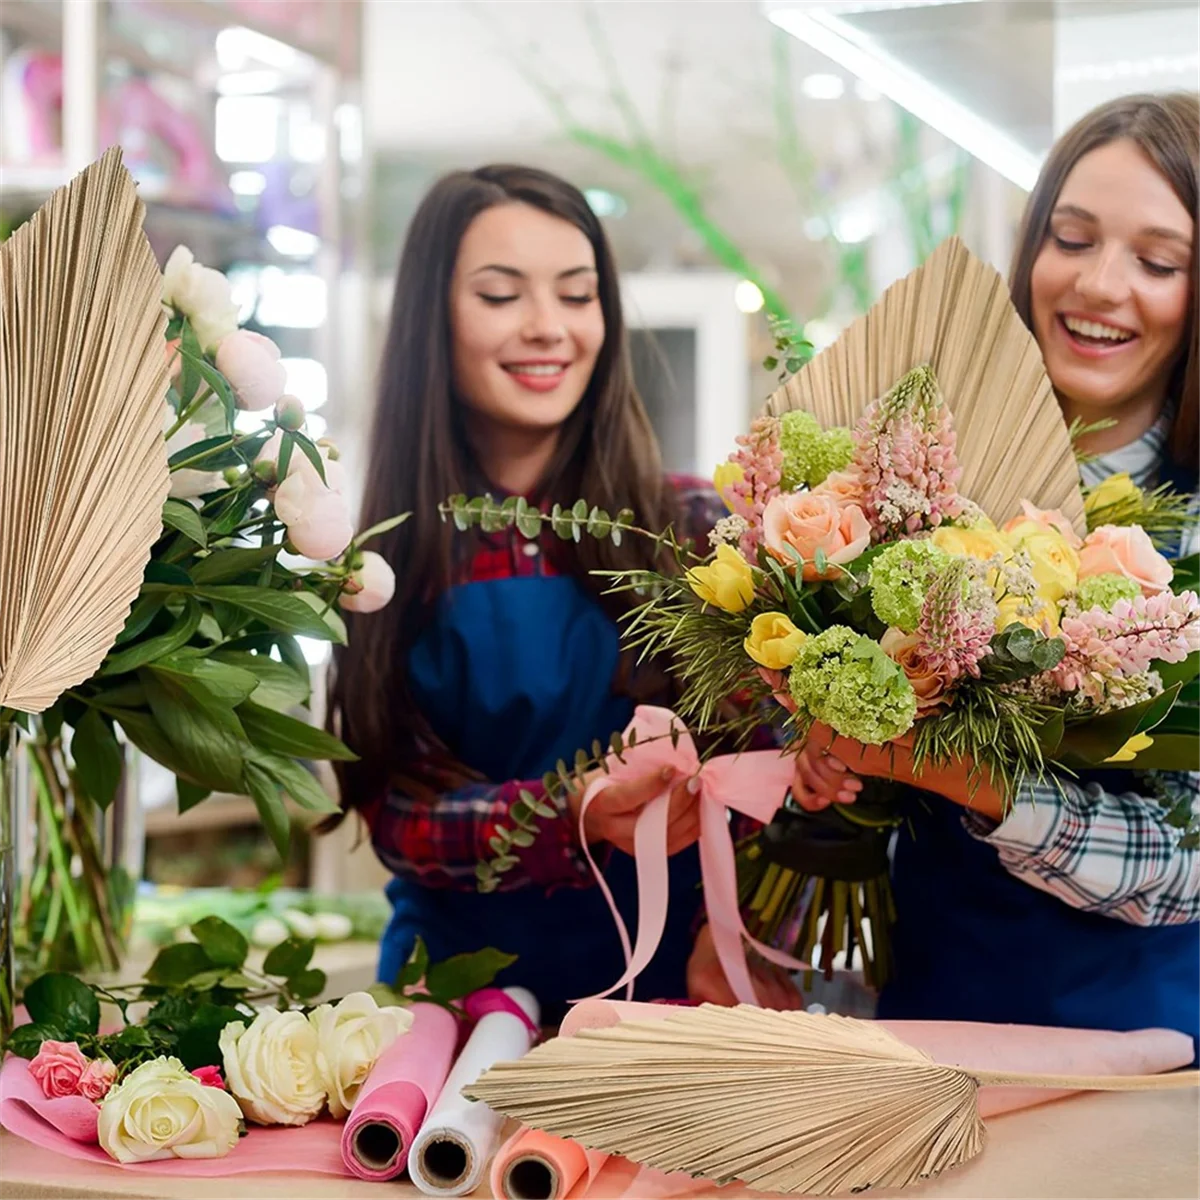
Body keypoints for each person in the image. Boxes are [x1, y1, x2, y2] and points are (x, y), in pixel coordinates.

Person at [326, 164, 798, 1021]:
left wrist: (743, 927)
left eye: (577, 295)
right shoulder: (384, 559)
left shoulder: (698, 527)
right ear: (434, 319)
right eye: (501, 295)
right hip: (459, 1006)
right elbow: (401, 812)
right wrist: (569, 810)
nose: (548, 328)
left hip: (678, 996)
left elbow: (783, 771)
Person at [788, 93, 1199, 1045]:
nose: (1100, 284)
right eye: (1072, 237)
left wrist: (972, 777)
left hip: (1150, 1036)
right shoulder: (918, 478)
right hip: (937, 1001)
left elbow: (1188, 857)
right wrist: (825, 749)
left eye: (1158, 261)